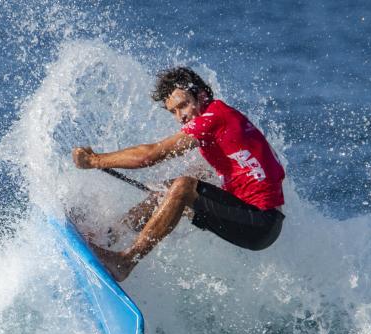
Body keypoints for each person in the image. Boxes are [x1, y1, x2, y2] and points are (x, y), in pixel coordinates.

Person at [72, 67, 286, 281]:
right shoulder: (221, 117)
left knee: (182, 186)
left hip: (260, 223)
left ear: (201, 95)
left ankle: (125, 261)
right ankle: (108, 236)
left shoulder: (214, 117)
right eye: (173, 111)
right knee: (169, 191)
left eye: (183, 106)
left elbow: (150, 156)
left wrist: (95, 160)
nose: (180, 117)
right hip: (253, 219)